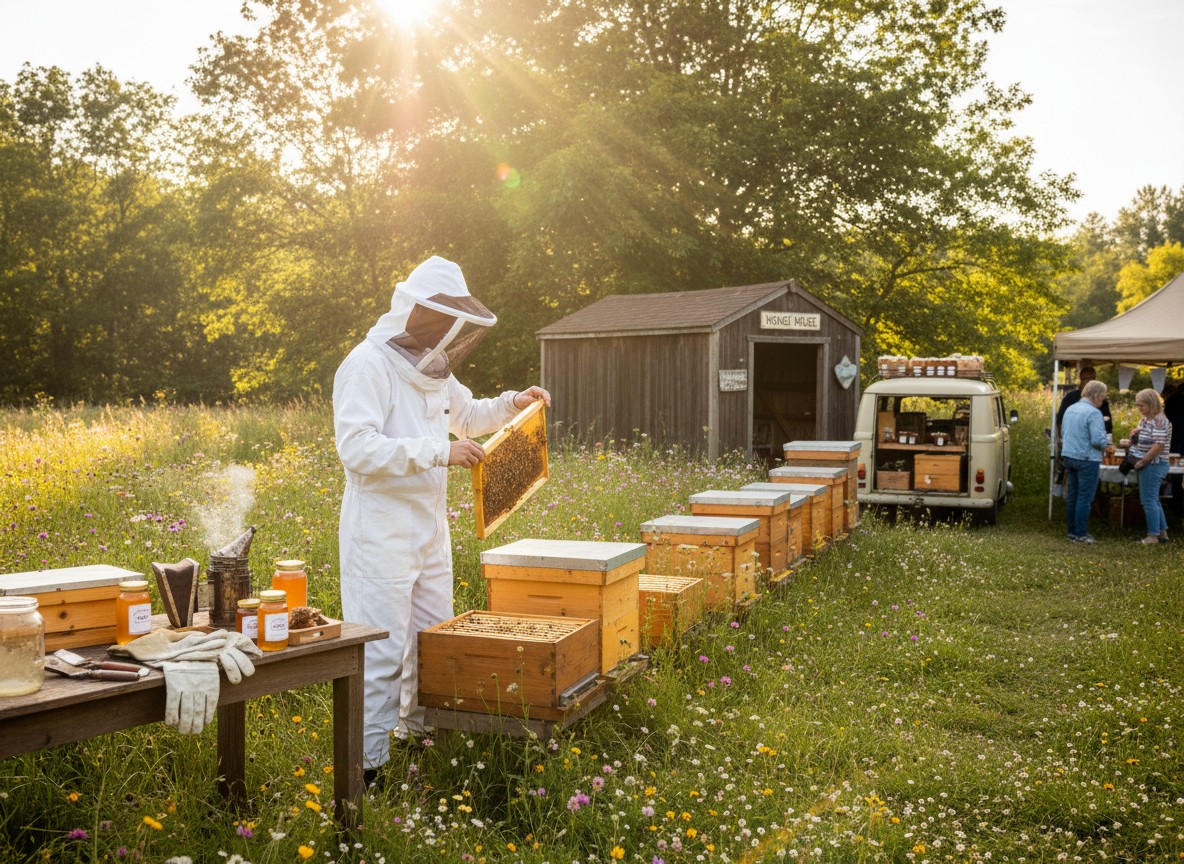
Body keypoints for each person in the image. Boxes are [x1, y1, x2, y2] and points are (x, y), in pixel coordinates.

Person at [332, 256, 551, 782]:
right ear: (420, 315)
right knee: (382, 651)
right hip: (380, 532)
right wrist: (438, 452)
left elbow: (469, 416)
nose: (446, 336)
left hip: (429, 530)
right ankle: (368, 770)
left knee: (431, 640)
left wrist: (513, 403)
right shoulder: (367, 365)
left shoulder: (433, 370)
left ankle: (413, 737)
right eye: (441, 322)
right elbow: (356, 448)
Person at [1060, 379, 1108, 543]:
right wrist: (1106, 442)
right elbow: (1097, 441)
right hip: (1087, 458)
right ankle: (1081, 533)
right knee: (1084, 497)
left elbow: (1064, 432)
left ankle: (1071, 531)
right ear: (1097, 395)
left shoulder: (1070, 409)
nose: (1102, 402)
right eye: (1102, 398)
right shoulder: (1094, 413)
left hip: (1069, 456)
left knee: (1072, 495)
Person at [1127, 387, 1171, 545]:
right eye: (1138, 405)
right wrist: (1134, 436)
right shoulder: (1146, 419)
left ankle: (1152, 535)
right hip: (1149, 463)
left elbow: (1158, 445)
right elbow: (1145, 439)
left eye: (1142, 405)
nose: (1139, 409)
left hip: (1154, 464)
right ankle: (1162, 532)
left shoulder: (1159, 420)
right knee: (1153, 499)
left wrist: (1142, 461)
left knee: (1148, 500)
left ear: (1151, 404)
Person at [1056, 365, 1113, 436]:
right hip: (1072, 435)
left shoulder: (1100, 399)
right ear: (1081, 379)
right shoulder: (1070, 397)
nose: (1089, 381)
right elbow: (1060, 420)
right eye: (1085, 378)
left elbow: (1107, 423)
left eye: (1092, 378)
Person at [1163, 380, 1183, 521]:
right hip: (1177, 441)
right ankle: (1176, 506)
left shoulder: (1172, 401)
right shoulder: (1174, 400)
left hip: (1175, 443)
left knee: (1175, 477)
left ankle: (1175, 506)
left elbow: (1166, 423)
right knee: (1176, 476)